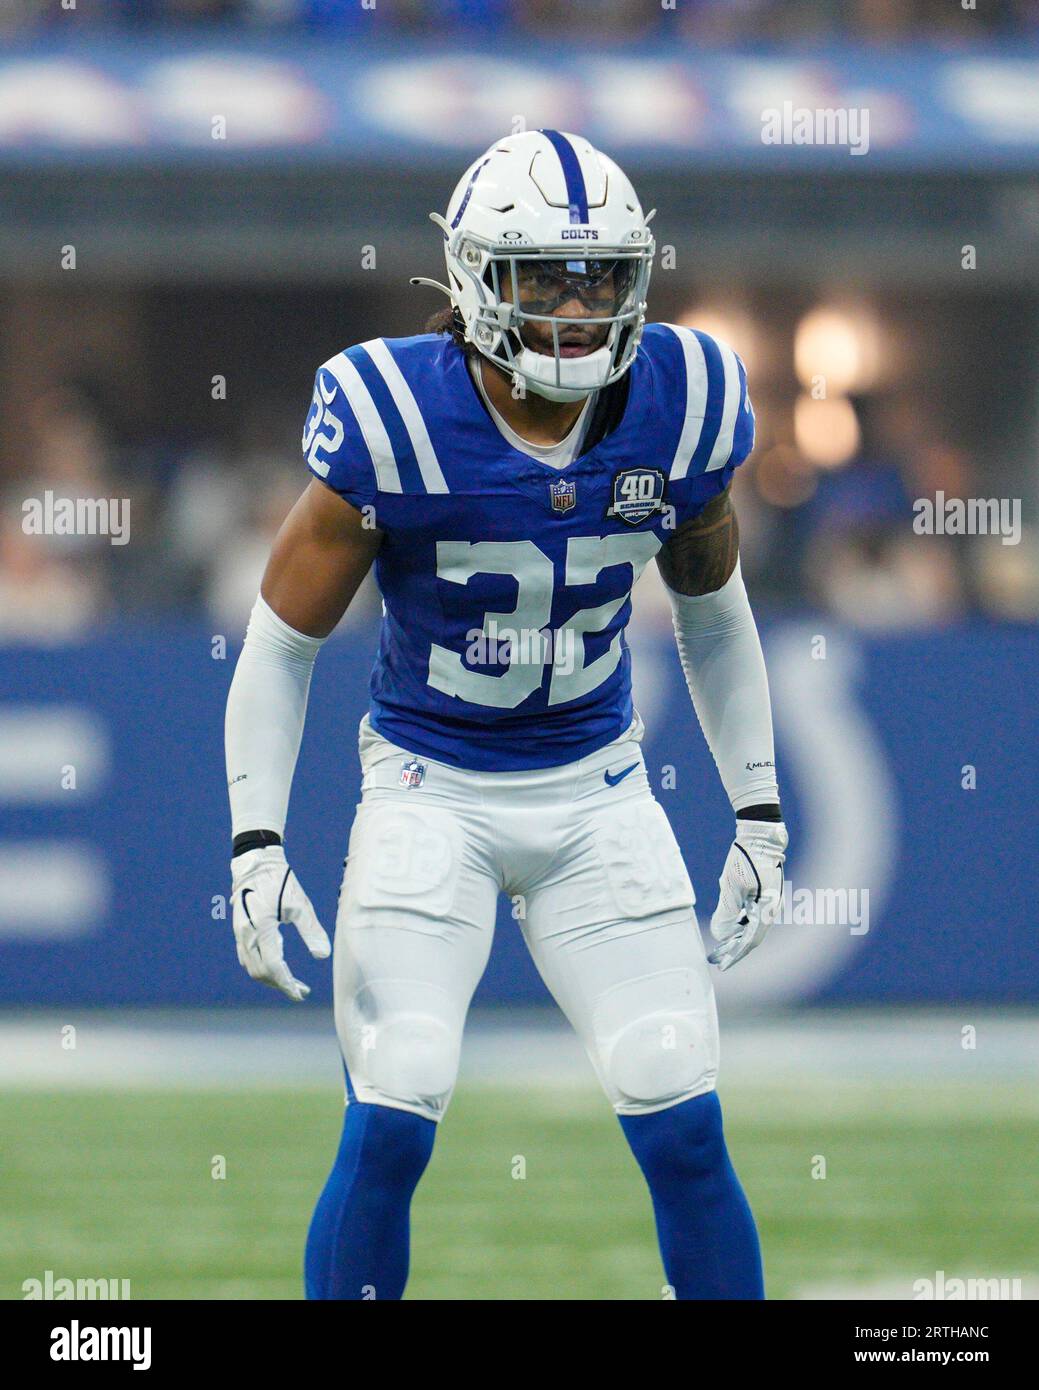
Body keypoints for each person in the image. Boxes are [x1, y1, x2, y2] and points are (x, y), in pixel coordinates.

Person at [224, 129, 788, 1300]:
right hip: (432, 788)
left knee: (682, 1111)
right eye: (543, 277)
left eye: (599, 277)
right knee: (397, 1104)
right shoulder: (394, 412)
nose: (577, 307)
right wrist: (254, 839)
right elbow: (280, 643)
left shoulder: (679, 403)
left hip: (598, 791)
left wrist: (759, 806)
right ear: (478, 278)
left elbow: (715, 613)